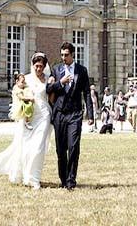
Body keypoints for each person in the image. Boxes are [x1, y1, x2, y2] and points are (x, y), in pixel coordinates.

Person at [0, 52, 53, 189]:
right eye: (36, 66)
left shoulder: (48, 79)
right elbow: (15, 91)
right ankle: (25, 175)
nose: (39, 69)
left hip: (44, 115)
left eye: (41, 66)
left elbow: (51, 97)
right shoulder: (26, 79)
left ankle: (34, 178)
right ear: (33, 65)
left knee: (38, 147)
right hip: (29, 116)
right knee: (26, 147)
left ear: (45, 67)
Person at [46, 42, 94, 190]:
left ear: (73, 55)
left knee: (73, 147)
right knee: (61, 150)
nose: (63, 57)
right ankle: (63, 179)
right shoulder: (56, 70)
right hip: (59, 114)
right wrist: (60, 82)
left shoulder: (82, 70)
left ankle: (71, 180)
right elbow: (48, 89)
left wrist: (90, 114)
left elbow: (87, 93)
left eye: (66, 55)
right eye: (62, 55)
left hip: (75, 114)